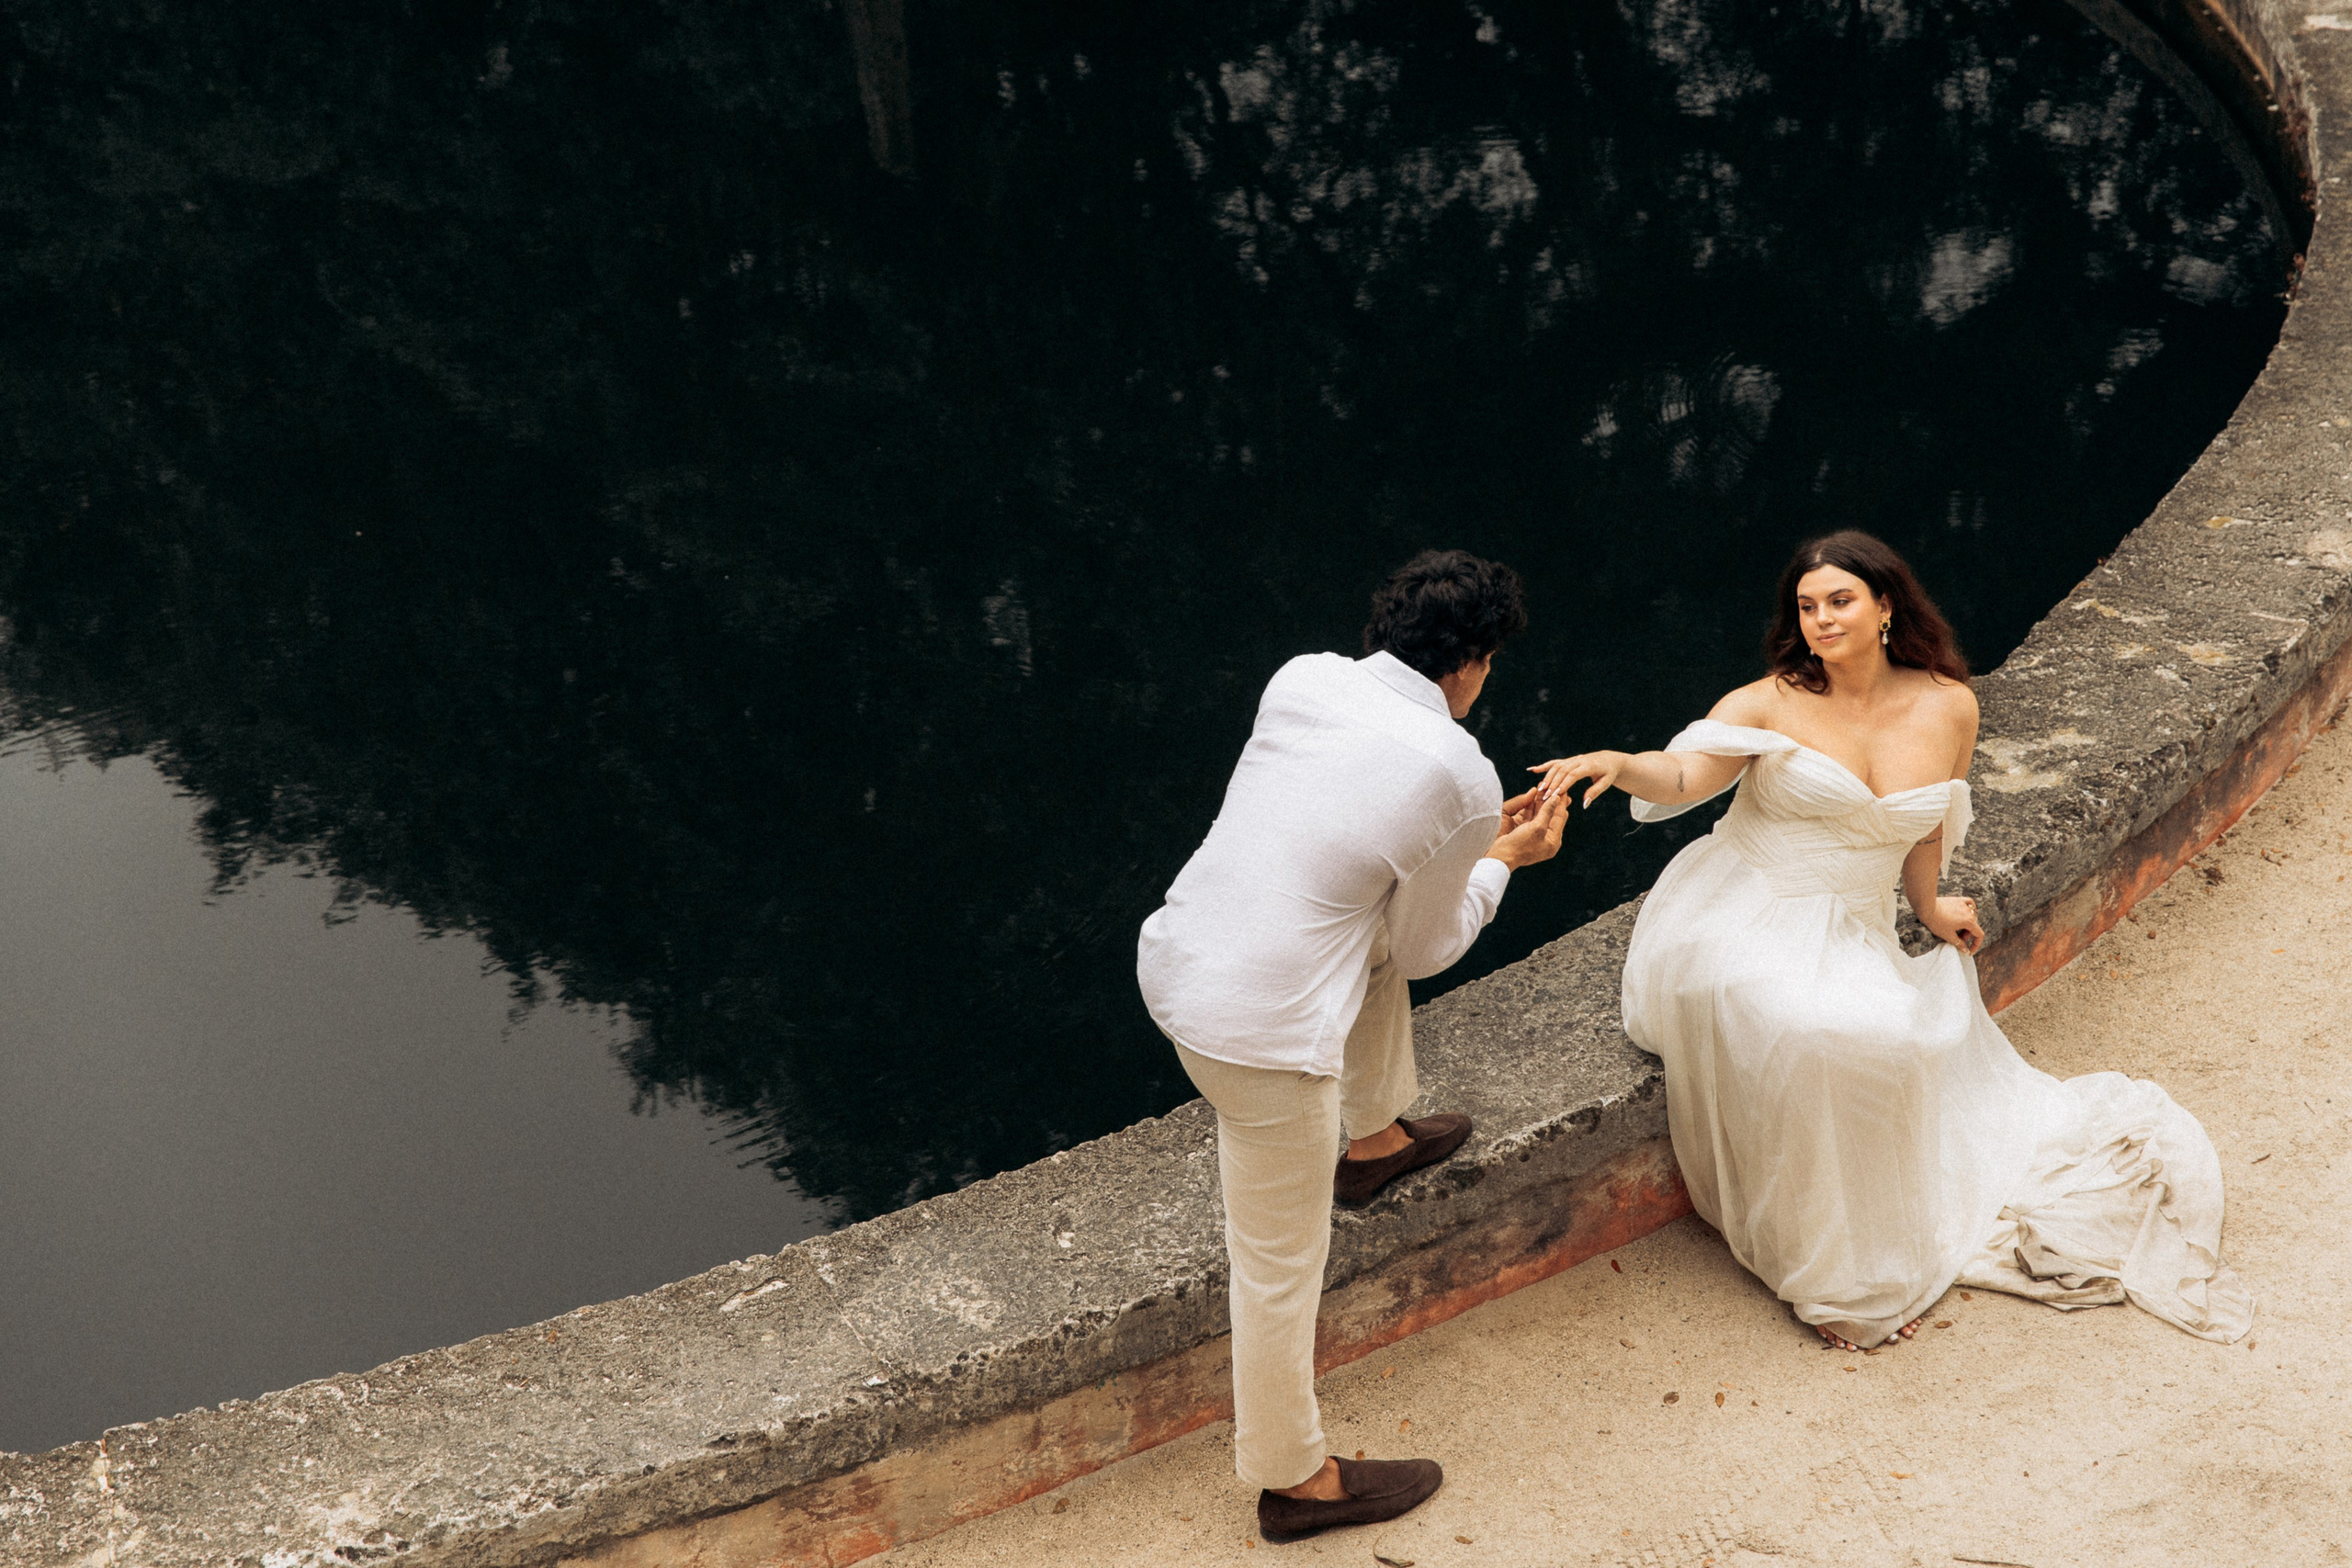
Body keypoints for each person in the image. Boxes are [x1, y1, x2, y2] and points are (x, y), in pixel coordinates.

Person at [1535, 529, 2252, 1352]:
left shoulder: (1950, 703)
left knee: (1894, 1036)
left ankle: (1877, 1222)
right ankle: (1839, 1273)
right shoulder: (1767, 701)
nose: (1820, 621)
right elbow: (1686, 776)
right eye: (1805, 607)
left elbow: (1925, 827)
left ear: (1885, 604)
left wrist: (1931, 903)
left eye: (1839, 600)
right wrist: (1618, 762)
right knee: (1820, 1033)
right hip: (1740, 912)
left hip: (1852, 921)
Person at [1137, 550, 1568, 1541]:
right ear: (1473, 663)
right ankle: (1296, 1479)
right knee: (1277, 1266)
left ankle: (1371, 1141)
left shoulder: (1303, 675)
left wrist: (1459, 844)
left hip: (1176, 959)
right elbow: (1429, 944)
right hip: (1259, 1038)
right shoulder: (1460, 770)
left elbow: (1348, 854)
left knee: (1356, 924)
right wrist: (1500, 857)